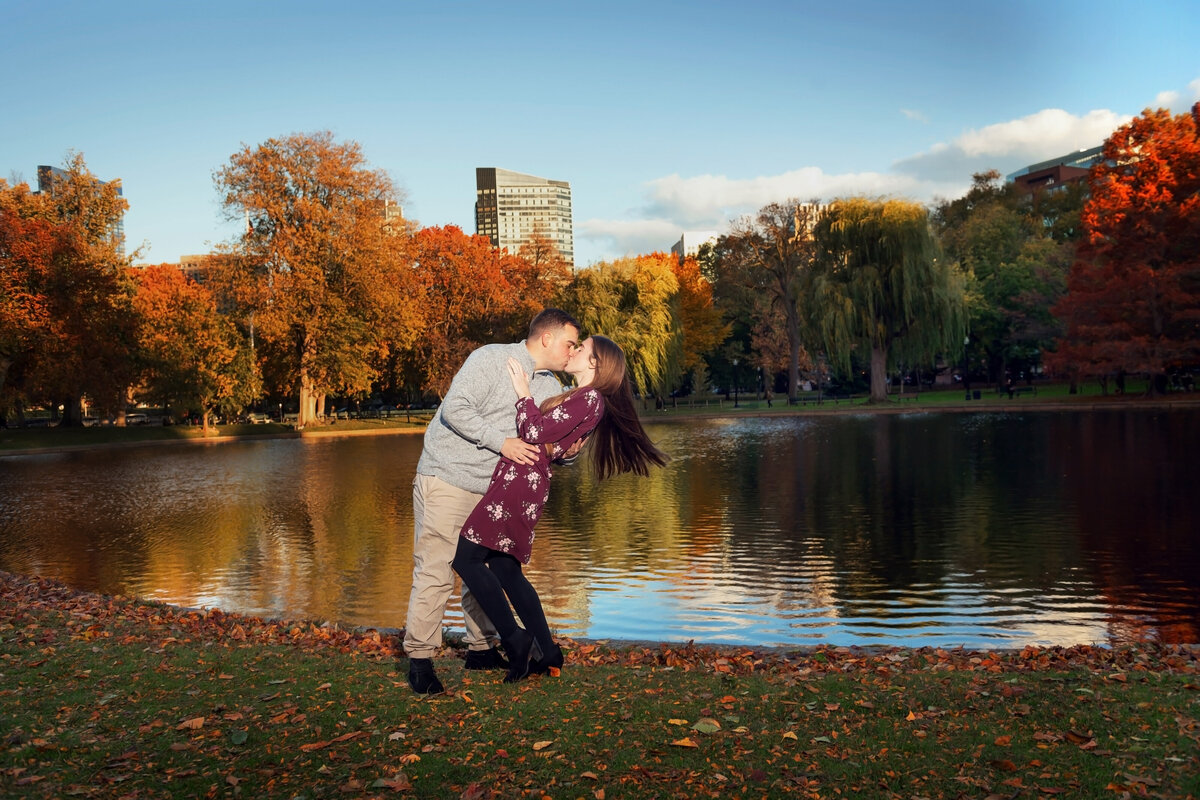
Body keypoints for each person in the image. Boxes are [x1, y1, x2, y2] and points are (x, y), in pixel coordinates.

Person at [452, 335, 669, 683]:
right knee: (506, 570)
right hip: (521, 478)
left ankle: (515, 638)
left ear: (595, 363)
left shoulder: (590, 398)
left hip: (520, 482)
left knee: (467, 559)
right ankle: (549, 651)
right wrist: (558, 448)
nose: (574, 350)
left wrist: (524, 393)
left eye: (581, 348)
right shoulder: (582, 398)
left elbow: (534, 430)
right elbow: (550, 442)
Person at [404, 308, 582, 694]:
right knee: (436, 570)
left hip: (493, 490)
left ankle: (481, 648)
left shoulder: (549, 385)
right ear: (547, 338)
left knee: (479, 574)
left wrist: (568, 452)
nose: (572, 352)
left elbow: (549, 440)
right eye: (569, 343)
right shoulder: (490, 358)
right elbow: (455, 409)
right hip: (448, 477)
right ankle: (420, 661)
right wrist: (501, 442)